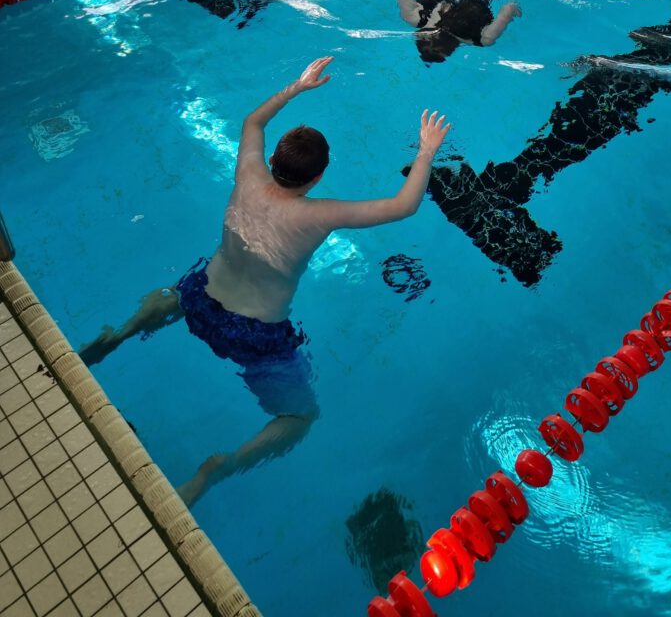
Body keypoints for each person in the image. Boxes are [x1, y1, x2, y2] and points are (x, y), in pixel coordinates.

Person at [80, 57, 449, 504]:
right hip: (254, 333)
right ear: (318, 177)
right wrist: (426, 149)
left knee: (176, 292)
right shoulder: (320, 214)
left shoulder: (248, 173)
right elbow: (403, 205)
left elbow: (254, 119)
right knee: (300, 417)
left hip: (201, 296)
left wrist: (298, 86)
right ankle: (224, 466)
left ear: (272, 158)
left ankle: (121, 334)